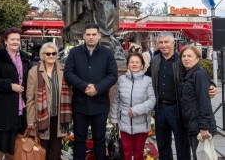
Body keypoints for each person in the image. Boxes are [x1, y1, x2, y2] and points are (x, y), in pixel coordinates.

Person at [146, 31, 217, 160]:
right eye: (161, 42)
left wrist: (211, 85)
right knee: (163, 144)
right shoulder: (155, 60)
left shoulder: (182, 59)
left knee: (182, 145)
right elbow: (146, 77)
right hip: (160, 109)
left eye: (166, 42)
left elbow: (196, 73)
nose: (163, 45)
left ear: (173, 43)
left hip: (177, 109)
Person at [64, 22, 118, 160]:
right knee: (79, 140)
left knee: (99, 140)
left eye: (94, 34)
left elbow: (112, 75)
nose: (91, 37)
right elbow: (68, 73)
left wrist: (97, 88)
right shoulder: (74, 52)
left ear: (99, 36)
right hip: (80, 104)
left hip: (100, 104)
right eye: (88, 34)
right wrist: (84, 86)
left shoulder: (107, 53)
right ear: (83, 36)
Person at [0, 27, 30, 160]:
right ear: (6, 41)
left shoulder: (24, 57)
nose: (15, 42)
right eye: (12, 39)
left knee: (15, 144)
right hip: (2, 108)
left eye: (17, 39)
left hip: (19, 109)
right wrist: (10, 86)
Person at [26, 42, 72, 160]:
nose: (51, 56)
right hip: (41, 118)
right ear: (42, 55)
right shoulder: (34, 72)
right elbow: (30, 98)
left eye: (54, 53)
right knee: (41, 151)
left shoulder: (64, 69)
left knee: (55, 152)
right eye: (48, 54)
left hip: (59, 118)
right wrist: (30, 119)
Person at [111, 52, 156, 160]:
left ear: (142, 65)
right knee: (126, 152)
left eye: (137, 62)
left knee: (138, 152)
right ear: (128, 64)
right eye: (132, 62)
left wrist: (135, 110)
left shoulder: (147, 80)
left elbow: (152, 100)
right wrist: (114, 119)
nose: (134, 64)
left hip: (141, 123)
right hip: (124, 122)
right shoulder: (121, 80)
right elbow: (116, 101)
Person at [180, 45, 217, 160]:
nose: (186, 58)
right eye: (184, 56)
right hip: (192, 123)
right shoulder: (188, 73)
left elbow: (204, 102)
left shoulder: (199, 74)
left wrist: (204, 127)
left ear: (197, 59)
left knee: (202, 156)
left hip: (199, 125)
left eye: (190, 56)